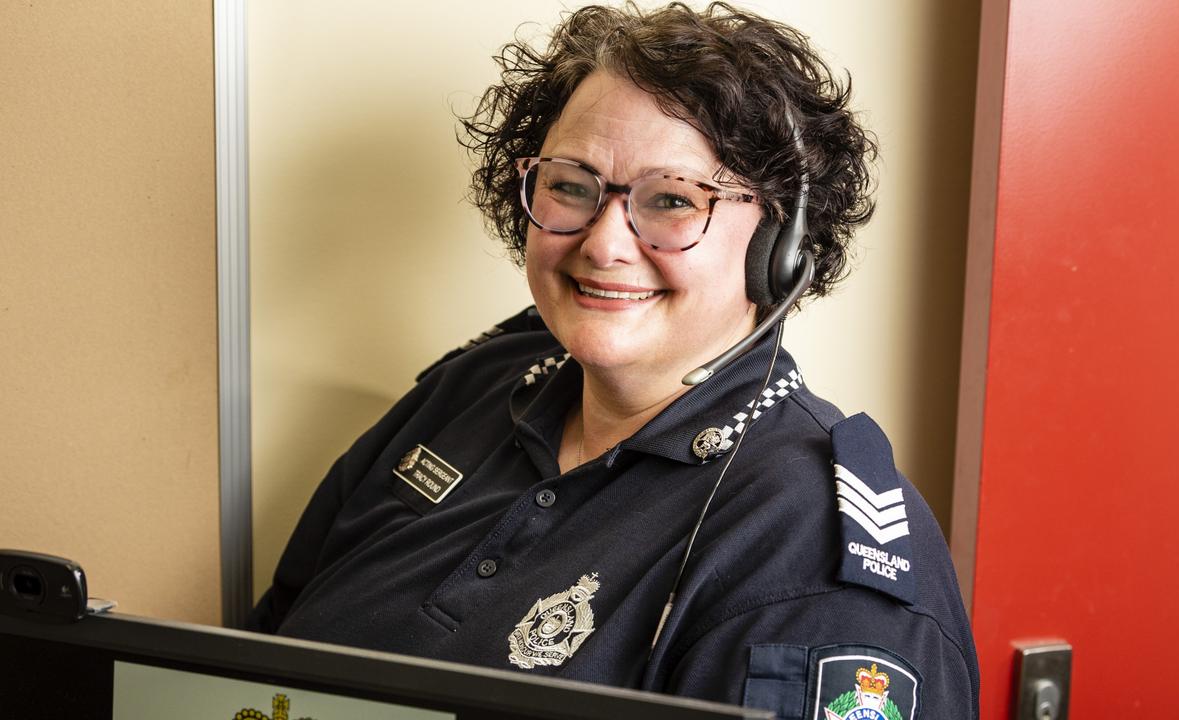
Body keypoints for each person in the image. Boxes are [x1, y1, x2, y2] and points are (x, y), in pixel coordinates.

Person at [249, 3, 978, 718]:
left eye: (670, 200)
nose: (603, 244)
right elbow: (261, 654)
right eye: (572, 186)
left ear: (779, 250)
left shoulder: (810, 551)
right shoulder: (473, 386)